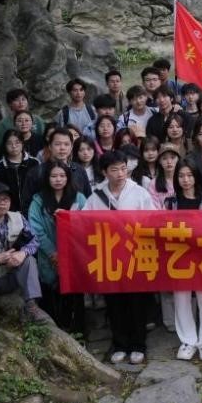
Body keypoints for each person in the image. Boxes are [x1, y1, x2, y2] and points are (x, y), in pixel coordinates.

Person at [84, 150, 159, 364]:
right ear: (104, 172)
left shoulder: (139, 193)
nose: (120, 174)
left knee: (136, 302)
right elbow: (83, 220)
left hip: (135, 254)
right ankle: (119, 343)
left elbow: (153, 220)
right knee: (115, 302)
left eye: (123, 168)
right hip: (110, 257)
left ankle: (138, 344)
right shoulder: (96, 196)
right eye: (114, 169)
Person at [0, 181, 53, 351]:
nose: (2, 203)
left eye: (6, 199)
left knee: (29, 260)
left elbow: (35, 240)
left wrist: (22, 253)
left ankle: (32, 306)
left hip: (14, 275)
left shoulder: (18, 218)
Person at [27, 160, 87, 335]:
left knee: (75, 296)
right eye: (54, 176)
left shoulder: (79, 197)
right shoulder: (38, 200)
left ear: (68, 177)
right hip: (49, 256)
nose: (58, 179)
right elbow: (35, 229)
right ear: (47, 178)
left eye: (62, 175)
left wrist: (69, 217)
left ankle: (79, 333)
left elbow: (86, 224)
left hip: (74, 254)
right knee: (51, 295)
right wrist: (53, 252)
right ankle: (54, 333)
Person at [166, 163, 202, 361]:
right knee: (181, 298)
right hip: (178, 256)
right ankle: (187, 340)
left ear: (196, 177)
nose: (186, 180)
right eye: (181, 176)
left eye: (189, 175)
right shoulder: (171, 202)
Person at [22, 126, 89, 207]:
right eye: (57, 144)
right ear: (50, 146)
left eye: (66, 144)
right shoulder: (36, 173)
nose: (62, 148)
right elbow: (26, 204)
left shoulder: (79, 170)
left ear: (71, 147)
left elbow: (88, 200)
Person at [0, 129, 39, 213]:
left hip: (33, 210)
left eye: (17, 142)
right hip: (9, 212)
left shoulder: (34, 163)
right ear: (4, 145)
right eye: (9, 143)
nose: (14, 146)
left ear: (22, 143)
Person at [0, 88, 46, 152]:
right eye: (16, 100)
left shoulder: (37, 120)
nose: (21, 103)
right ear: (10, 104)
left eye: (23, 99)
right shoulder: (3, 125)